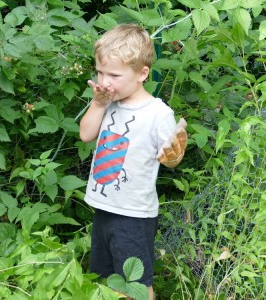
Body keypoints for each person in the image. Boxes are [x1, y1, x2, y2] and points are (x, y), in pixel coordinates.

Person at [79, 24, 187, 300]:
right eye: (100, 72)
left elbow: (171, 156)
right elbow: (86, 134)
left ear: (142, 74)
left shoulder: (157, 113)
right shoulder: (108, 101)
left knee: (135, 284)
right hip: (104, 207)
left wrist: (174, 154)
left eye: (114, 75)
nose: (104, 81)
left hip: (133, 216)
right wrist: (98, 104)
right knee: (106, 278)